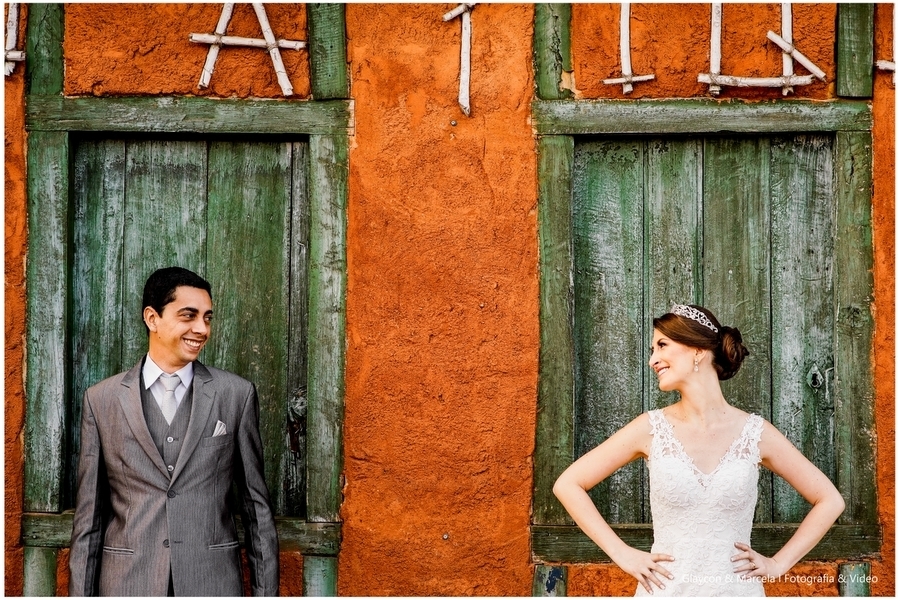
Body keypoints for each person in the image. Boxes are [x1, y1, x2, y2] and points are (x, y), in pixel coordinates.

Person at [553, 304, 845, 596]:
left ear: (697, 350)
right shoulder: (650, 428)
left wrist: (777, 564)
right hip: (666, 592)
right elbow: (568, 484)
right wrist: (623, 554)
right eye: (653, 350)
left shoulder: (756, 433)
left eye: (662, 345)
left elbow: (830, 500)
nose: (653, 360)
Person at [69, 267, 279, 596]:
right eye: (188, 315)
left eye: (207, 318)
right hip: (127, 584)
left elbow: (256, 509)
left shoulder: (236, 395)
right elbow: (89, 518)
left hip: (212, 583)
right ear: (153, 318)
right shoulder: (102, 400)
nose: (202, 328)